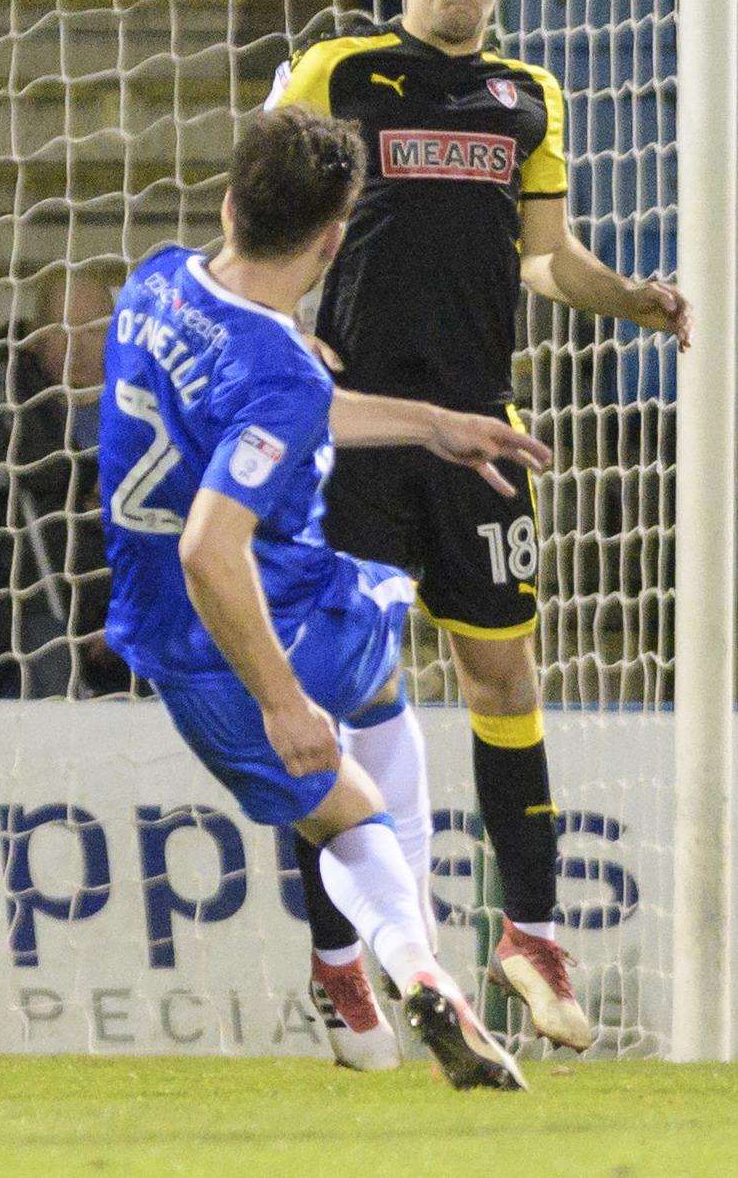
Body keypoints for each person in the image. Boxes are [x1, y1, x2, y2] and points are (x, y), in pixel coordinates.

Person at [267, 0, 692, 1058]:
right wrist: (278, 320)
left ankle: (532, 932)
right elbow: (256, 222)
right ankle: (338, 958)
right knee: (345, 694)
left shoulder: (527, 96)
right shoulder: (335, 75)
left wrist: (636, 302)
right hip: (355, 425)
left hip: (480, 428)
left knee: (503, 676)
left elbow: (546, 260)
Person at [104, 106, 544, 1090]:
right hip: (275, 622)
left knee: (345, 814)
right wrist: (284, 698)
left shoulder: (153, 282)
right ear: (335, 239)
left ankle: (410, 971)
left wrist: (429, 423)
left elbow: (253, 406)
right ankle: (420, 953)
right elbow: (211, 546)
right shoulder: (283, 373)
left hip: (166, 648)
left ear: (227, 203)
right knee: (384, 664)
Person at [0, 265, 114, 699]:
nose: (82, 344)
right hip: (27, 601)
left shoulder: (146, 400)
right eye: (67, 329)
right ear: (36, 333)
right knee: (48, 660)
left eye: (96, 330)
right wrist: (94, 478)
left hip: (133, 600)